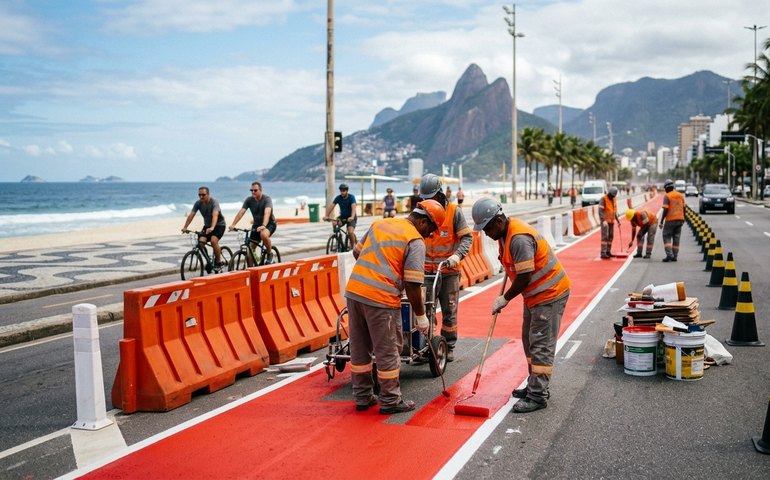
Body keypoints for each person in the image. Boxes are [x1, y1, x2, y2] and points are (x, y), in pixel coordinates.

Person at [345, 199, 445, 414]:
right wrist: (421, 317)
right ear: (424, 223)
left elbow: (357, 252)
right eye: (431, 231)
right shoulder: (414, 240)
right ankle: (390, 400)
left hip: (354, 292)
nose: (429, 237)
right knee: (388, 350)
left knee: (359, 349)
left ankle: (363, 397)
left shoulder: (381, 224)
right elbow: (412, 283)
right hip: (381, 299)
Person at [472, 197, 570, 413]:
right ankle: (535, 383)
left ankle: (538, 396)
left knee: (541, 344)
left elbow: (524, 277)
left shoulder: (519, 238)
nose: (485, 233)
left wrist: (504, 299)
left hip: (549, 294)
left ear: (498, 221)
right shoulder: (504, 235)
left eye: (486, 228)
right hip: (534, 296)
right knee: (528, 339)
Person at [418, 173, 473, 362]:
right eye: (424, 200)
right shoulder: (420, 211)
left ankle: (448, 345)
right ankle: (427, 345)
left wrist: (457, 255)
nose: (427, 203)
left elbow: (467, 237)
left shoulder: (453, 211)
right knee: (425, 311)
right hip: (425, 271)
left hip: (448, 271)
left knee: (449, 310)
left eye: (430, 199)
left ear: (439, 194)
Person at [229, 181, 276, 265]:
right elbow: (241, 212)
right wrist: (233, 224)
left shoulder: (267, 199)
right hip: (256, 225)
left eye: (255, 190)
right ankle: (252, 271)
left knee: (263, 235)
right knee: (250, 251)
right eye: (251, 190)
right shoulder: (249, 200)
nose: (253, 192)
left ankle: (269, 254)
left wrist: (264, 225)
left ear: (261, 190)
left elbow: (267, 212)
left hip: (269, 224)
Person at [181, 186, 227, 271]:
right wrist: (185, 227)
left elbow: (215, 215)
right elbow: (191, 215)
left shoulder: (214, 202)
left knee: (213, 241)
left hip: (219, 225)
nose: (201, 197)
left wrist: (212, 227)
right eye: (199, 195)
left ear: (208, 194)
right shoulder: (198, 203)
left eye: (203, 195)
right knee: (201, 243)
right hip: (207, 226)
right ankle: (208, 260)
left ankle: (218, 262)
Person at [323, 183, 357, 249]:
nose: (342, 192)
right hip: (343, 216)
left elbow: (353, 207)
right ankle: (337, 237)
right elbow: (331, 206)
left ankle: (353, 244)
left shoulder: (351, 197)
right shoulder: (338, 198)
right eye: (341, 191)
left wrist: (352, 216)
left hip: (351, 217)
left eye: (344, 191)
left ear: (347, 191)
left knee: (350, 232)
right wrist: (326, 215)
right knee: (334, 222)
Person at [659, 179, 685, 262]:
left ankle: (669, 255)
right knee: (676, 237)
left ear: (666, 188)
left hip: (670, 220)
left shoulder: (667, 196)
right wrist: (684, 218)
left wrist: (662, 221)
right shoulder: (680, 195)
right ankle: (675, 256)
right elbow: (684, 208)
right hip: (680, 220)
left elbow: (665, 209)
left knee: (666, 236)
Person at [598, 186, 620, 259]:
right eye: (612, 195)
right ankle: (603, 253)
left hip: (611, 221)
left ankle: (608, 251)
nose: (612, 196)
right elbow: (600, 211)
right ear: (609, 193)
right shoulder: (603, 199)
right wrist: (603, 220)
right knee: (605, 237)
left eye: (614, 196)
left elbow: (614, 211)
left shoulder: (614, 199)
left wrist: (618, 221)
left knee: (611, 236)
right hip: (605, 222)